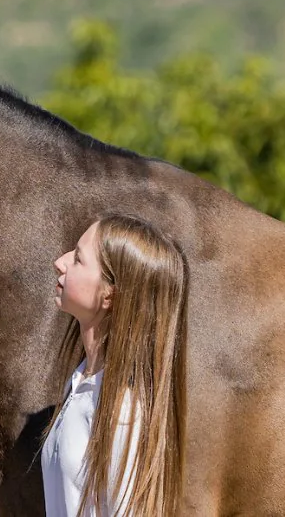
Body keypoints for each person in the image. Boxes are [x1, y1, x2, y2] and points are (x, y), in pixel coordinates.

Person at [44, 213, 189, 517]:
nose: (61, 261)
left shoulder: (122, 413)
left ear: (109, 294)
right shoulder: (82, 383)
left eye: (79, 259)